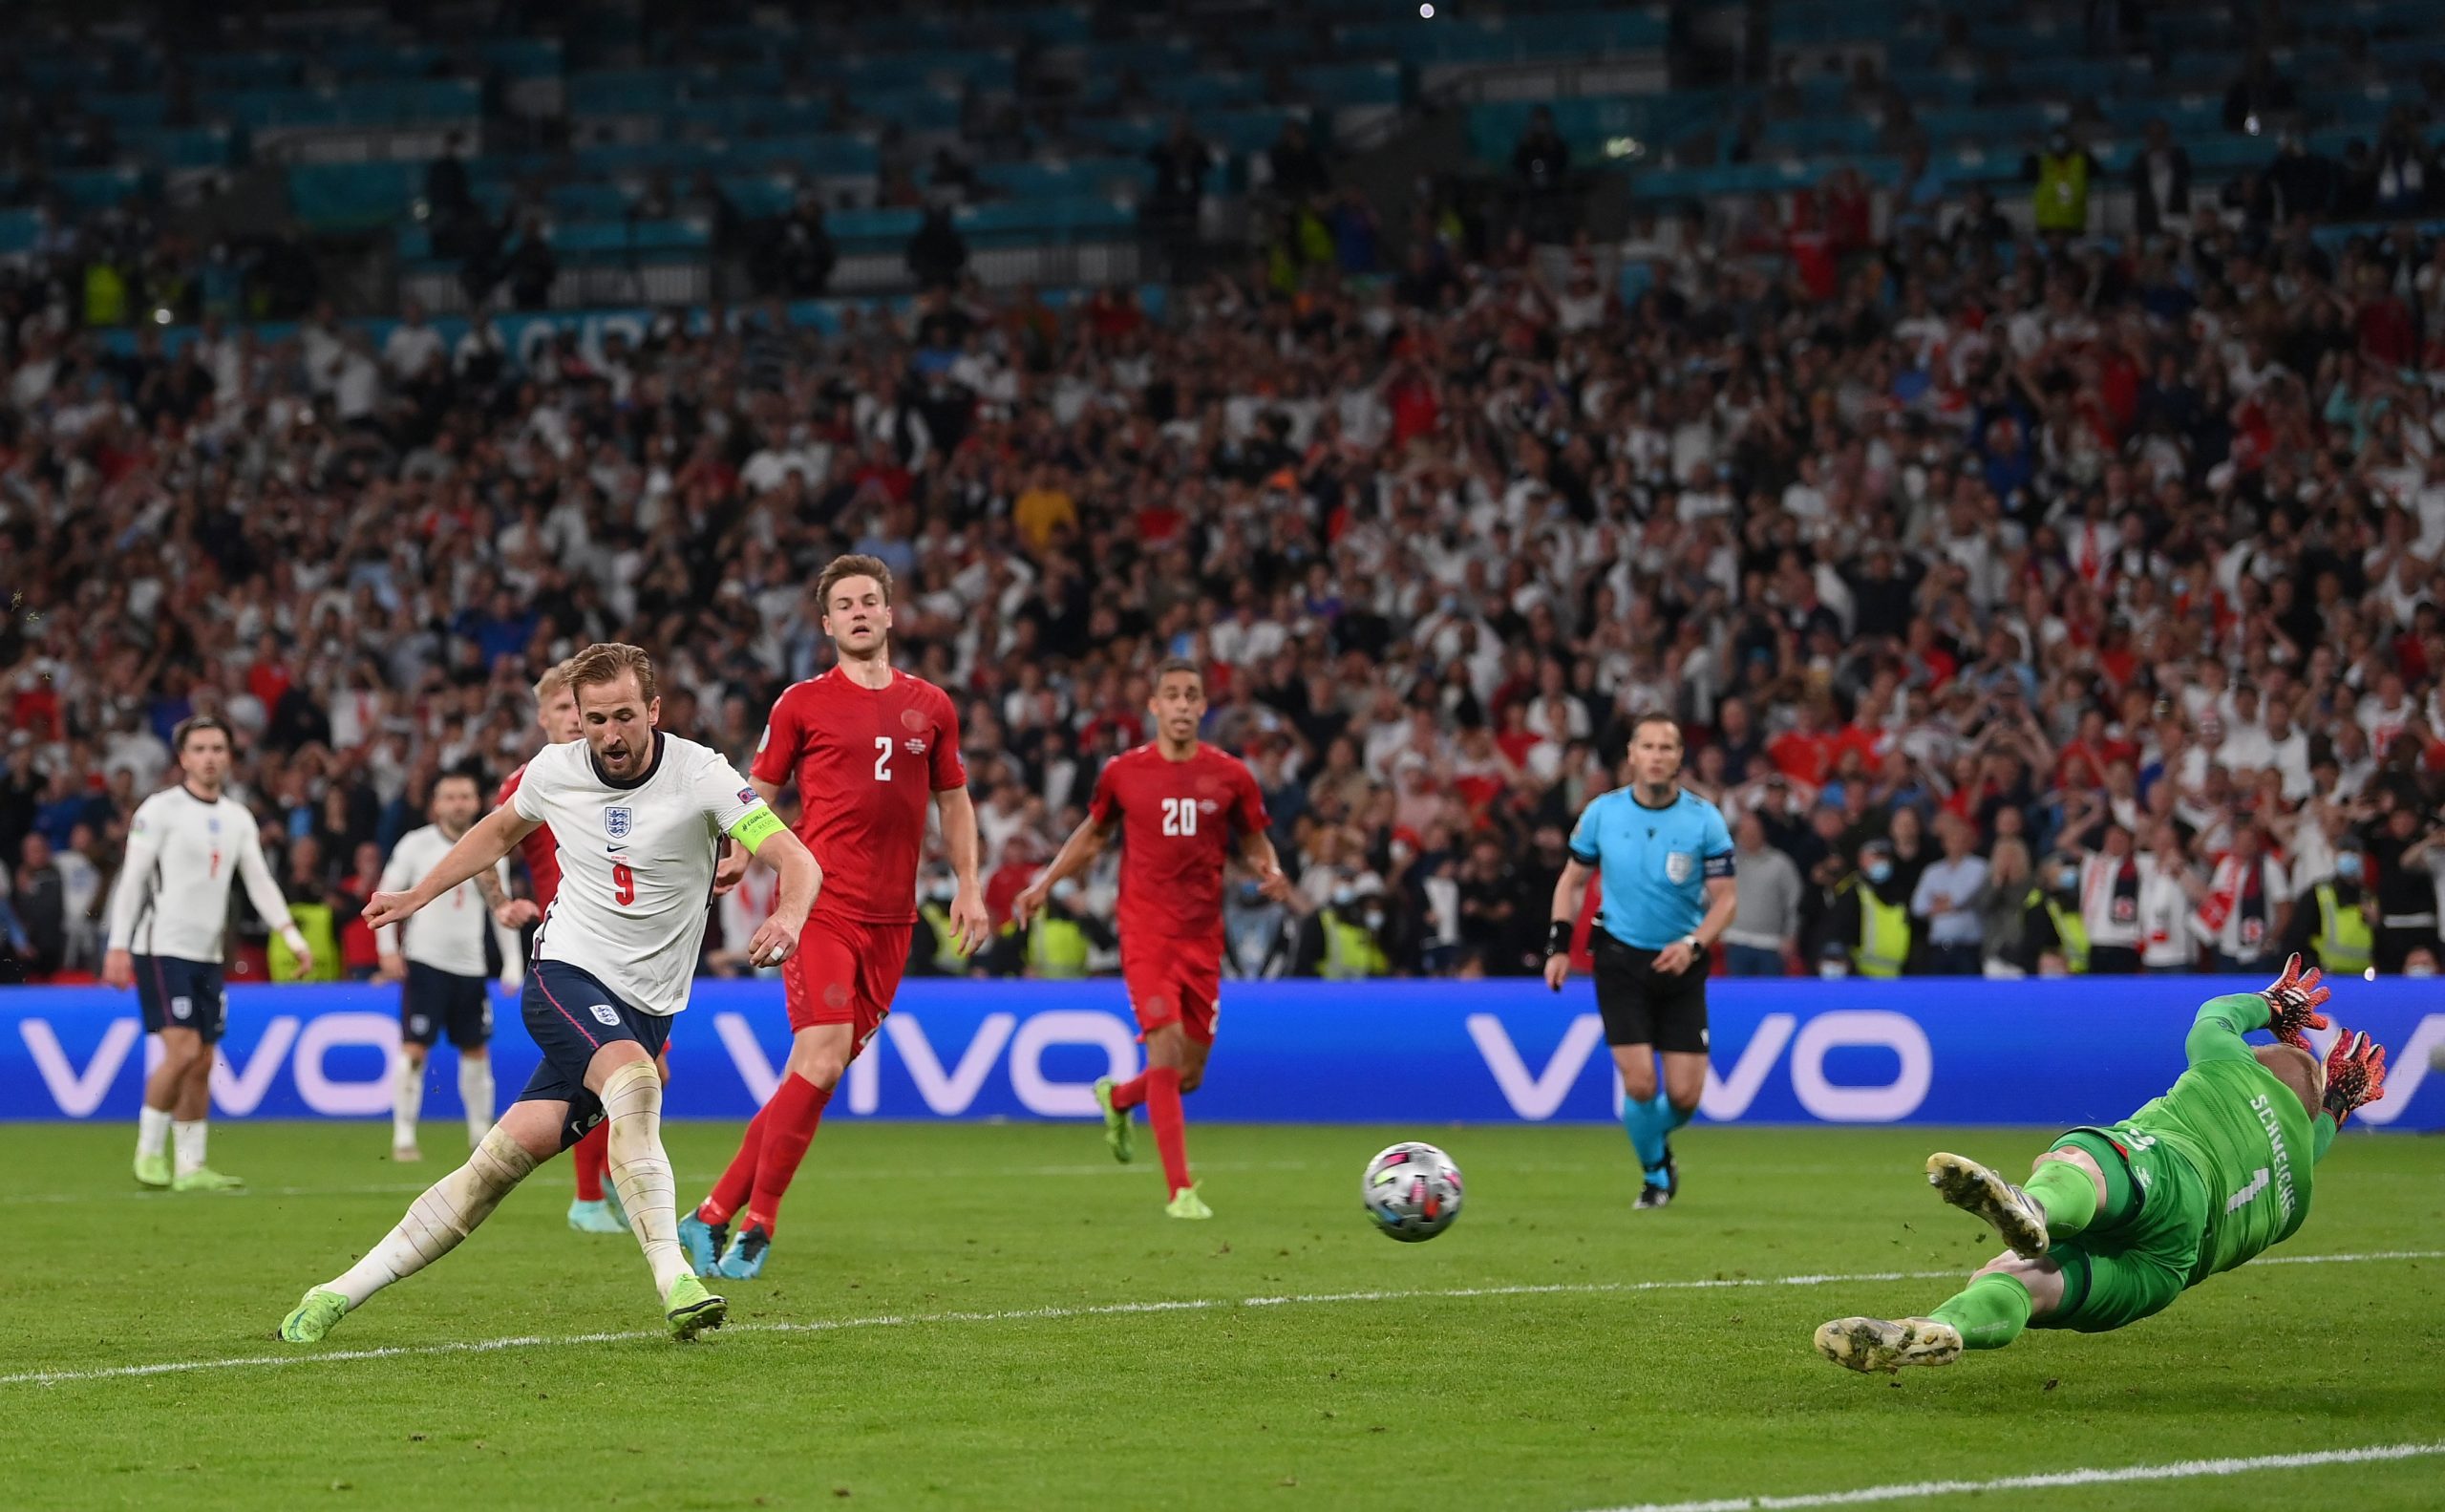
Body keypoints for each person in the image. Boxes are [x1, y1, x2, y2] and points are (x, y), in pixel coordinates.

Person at [280, 643, 819, 1346]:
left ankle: (336, 1291)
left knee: (494, 1167)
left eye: (625, 715)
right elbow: (497, 830)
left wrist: (789, 913)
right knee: (635, 1082)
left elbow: (794, 856)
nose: (610, 734)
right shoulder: (555, 770)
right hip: (565, 972)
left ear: (653, 710)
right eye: (596, 719)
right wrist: (418, 893)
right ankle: (675, 1276)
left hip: (648, 1006)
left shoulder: (702, 774)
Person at [1816, 957, 2387, 1374]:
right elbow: (2313, 1139)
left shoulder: (2230, 1066)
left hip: (2177, 1175)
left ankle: (2036, 1205)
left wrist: (2273, 1003)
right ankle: (1947, 1328)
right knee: (2022, 1284)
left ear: (2256, 1064)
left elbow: (2215, 1015)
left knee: (2083, 1161)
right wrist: (2337, 1103)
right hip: (2167, 1272)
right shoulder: (2297, 1191)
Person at [681, 556, 989, 1280]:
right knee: (819, 1061)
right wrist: (738, 853)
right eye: (843, 603)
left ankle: (711, 1212)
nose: (857, 611)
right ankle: (760, 1221)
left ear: (889, 615)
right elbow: (754, 790)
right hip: (819, 905)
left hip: (893, 920)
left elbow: (954, 800)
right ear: (826, 625)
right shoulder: (801, 703)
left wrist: (970, 884)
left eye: (869, 600)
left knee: (809, 1076)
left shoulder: (932, 706)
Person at [1014, 658, 1292, 1220]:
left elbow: (1256, 841)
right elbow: (1093, 837)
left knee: (1187, 1074)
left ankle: (1117, 1100)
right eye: (1173, 695)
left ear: (1203, 707)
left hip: (1202, 939)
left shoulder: (1231, 776)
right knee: (1164, 1049)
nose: (1184, 704)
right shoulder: (1124, 772)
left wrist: (1272, 869)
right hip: (1144, 933)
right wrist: (1044, 883)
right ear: (1155, 706)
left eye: (1192, 695)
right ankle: (1180, 1191)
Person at [103, 717, 314, 1192]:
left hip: (207, 953)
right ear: (182, 758)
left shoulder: (238, 817)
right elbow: (133, 880)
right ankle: (148, 1154)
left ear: (229, 756)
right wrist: (117, 945)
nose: (210, 756)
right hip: (161, 947)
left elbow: (259, 880)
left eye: (218, 747)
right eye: (199, 748)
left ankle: (191, 1167)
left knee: (201, 1059)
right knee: (180, 1052)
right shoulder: (159, 810)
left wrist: (291, 935)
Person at [1542, 713, 1737, 1209]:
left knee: (1687, 1097)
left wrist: (1694, 944)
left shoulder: (1704, 819)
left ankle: (1652, 1138)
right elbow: (1572, 880)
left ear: (1678, 758)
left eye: (1666, 747)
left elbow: (1726, 900)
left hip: (1682, 964)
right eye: (1647, 746)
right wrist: (1559, 946)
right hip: (1620, 960)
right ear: (1631, 755)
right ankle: (1655, 1174)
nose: (1656, 755)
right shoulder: (1602, 813)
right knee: (1640, 1082)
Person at [374, 771, 521, 1163]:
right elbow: (387, 892)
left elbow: (500, 908)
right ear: (436, 805)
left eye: (465, 796)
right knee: (415, 1049)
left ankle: (479, 1138)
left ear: (476, 802)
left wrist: (512, 963)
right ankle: (404, 1137)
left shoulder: (491, 846)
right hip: (426, 962)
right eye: (450, 797)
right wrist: (387, 948)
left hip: (471, 967)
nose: (458, 804)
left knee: (476, 1050)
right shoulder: (416, 845)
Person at [1721, 810, 1799, 976]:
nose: (1748, 835)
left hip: (1770, 944)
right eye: (1743, 830)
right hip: (1736, 940)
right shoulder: (1730, 861)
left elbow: (1794, 903)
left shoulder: (1780, 863)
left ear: (1762, 832)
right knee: (1738, 996)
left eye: (1753, 830)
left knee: (1770, 997)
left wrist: (1790, 935)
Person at [1910, 814, 1989, 975]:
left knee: (1969, 997)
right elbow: (1918, 907)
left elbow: (1961, 899)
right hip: (1938, 947)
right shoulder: (1932, 871)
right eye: (1952, 838)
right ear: (1944, 842)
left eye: (1961, 838)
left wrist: (1939, 903)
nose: (1956, 842)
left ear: (1970, 841)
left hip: (1968, 947)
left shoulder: (1979, 867)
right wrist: (1948, 903)